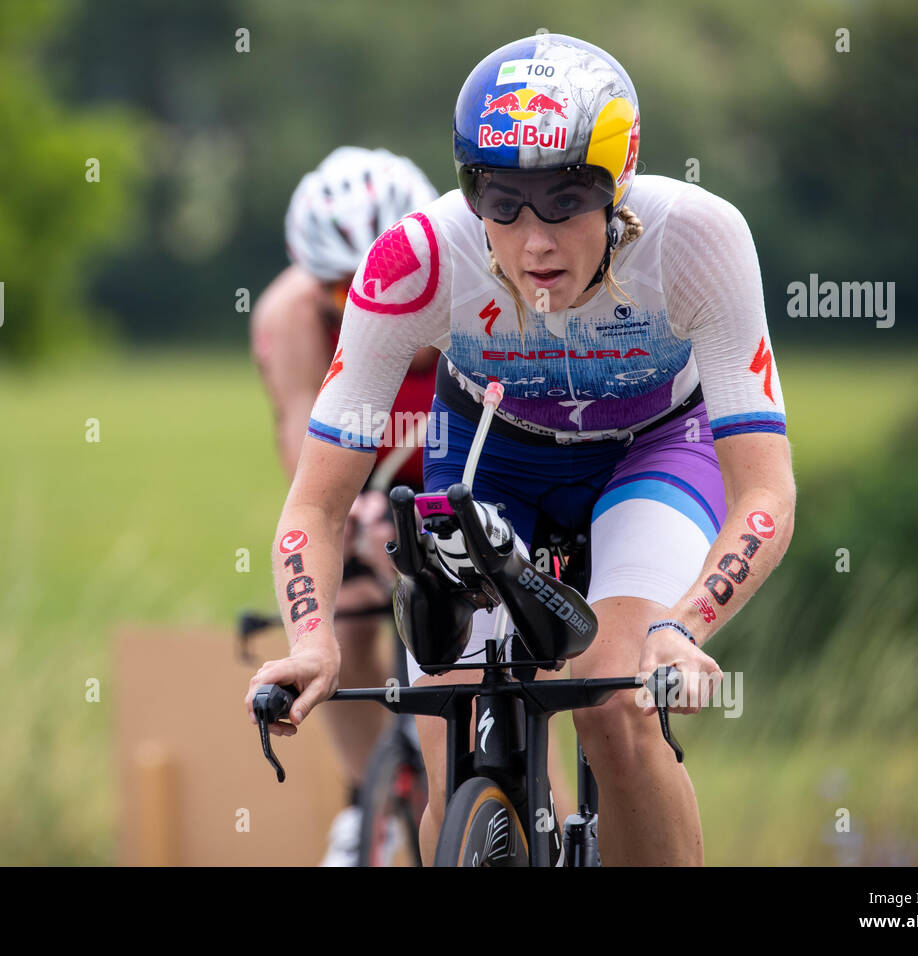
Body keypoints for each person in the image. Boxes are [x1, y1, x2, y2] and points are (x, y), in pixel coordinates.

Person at [245, 34, 796, 866]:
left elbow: (765, 492)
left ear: (619, 187)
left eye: (566, 200)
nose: (534, 240)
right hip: (490, 452)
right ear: (470, 190)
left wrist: (683, 627)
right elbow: (317, 502)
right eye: (502, 202)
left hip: (652, 449)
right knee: (450, 719)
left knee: (613, 699)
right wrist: (314, 640)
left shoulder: (700, 240)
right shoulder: (414, 262)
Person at [250, 146, 440, 865]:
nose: (374, 309)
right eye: (344, 295)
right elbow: (310, 474)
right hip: (361, 482)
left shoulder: (474, 289)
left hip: (462, 475)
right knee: (351, 614)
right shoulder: (289, 316)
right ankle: (372, 803)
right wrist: (361, 525)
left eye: (397, 286)